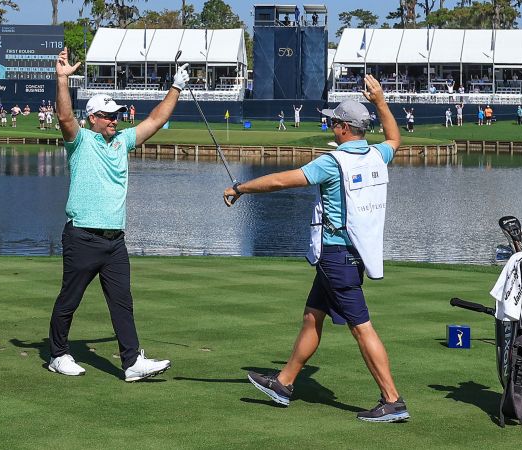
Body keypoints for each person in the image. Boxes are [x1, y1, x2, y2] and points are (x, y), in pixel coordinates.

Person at [223, 75, 409, 423]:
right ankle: (284, 383)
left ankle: (392, 399)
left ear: (342, 128)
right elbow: (395, 138)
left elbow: (281, 180)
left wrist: (242, 188)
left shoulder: (332, 161)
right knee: (313, 316)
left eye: (332, 121)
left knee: (361, 327)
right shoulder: (376, 155)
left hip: (336, 255)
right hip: (351, 255)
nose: (329, 124)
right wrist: (380, 100)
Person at [47, 47, 189, 381]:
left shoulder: (122, 141)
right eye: (109, 115)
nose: (115, 119)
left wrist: (177, 87)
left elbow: (155, 120)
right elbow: (65, 118)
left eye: (117, 115)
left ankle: (131, 362)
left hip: (115, 241)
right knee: (70, 299)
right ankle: (57, 354)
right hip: (82, 235)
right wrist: (62, 79)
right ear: (93, 118)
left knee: (122, 303)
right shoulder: (80, 140)